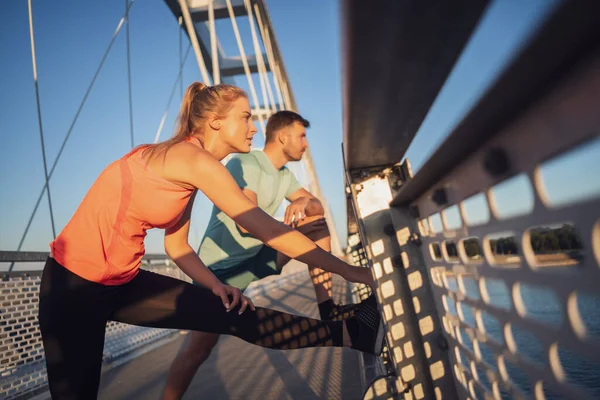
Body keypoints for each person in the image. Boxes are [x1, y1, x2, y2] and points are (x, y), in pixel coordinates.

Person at [38, 82, 383, 400]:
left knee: (233, 314)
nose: (254, 128)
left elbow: (178, 247)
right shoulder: (193, 160)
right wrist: (352, 272)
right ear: (216, 122)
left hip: (122, 282)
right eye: (246, 117)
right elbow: (268, 230)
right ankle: (351, 331)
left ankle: (352, 334)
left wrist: (216, 286)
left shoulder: (189, 168)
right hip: (72, 287)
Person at [162, 111, 362, 399]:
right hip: (220, 270)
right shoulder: (245, 163)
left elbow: (317, 208)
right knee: (198, 351)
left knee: (315, 224)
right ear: (282, 136)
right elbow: (247, 219)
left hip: (257, 257)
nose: (306, 145)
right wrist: (288, 223)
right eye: (302, 136)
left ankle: (328, 307)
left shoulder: (284, 176)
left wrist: (305, 201)